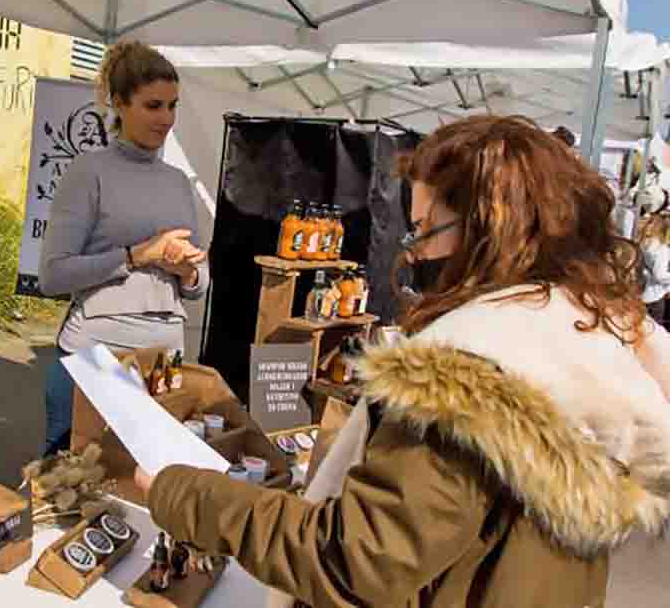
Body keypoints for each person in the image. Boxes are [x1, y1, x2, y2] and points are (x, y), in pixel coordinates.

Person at [135, 116, 670, 607]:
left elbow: (354, 559)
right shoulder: (599, 342)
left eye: (420, 232)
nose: (410, 253)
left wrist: (181, 490)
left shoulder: (471, 375)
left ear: (484, 230)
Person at [38, 40, 208, 456]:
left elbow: (201, 283)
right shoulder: (89, 172)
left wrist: (187, 271)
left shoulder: (178, 183)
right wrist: (136, 256)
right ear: (118, 103)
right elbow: (53, 276)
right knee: (70, 487)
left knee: (148, 490)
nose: (166, 118)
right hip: (94, 358)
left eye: (173, 106)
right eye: (153, 106)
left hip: (164, 360)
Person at [639, 214, 670, 327]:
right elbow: (659, 275)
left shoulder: (645, 242)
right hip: (653, 297)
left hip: (641, 292)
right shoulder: (662, 250)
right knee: (654, 329)